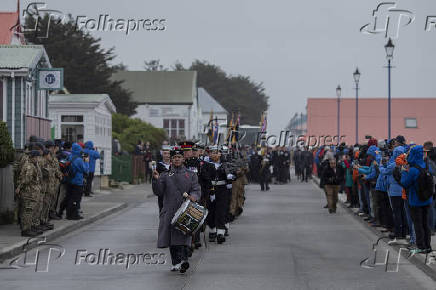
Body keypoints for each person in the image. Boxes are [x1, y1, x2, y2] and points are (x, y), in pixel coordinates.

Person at [152, 147, 200, 273]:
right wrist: (156, 180)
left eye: (179, 157)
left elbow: (196, 189)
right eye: (174, 157)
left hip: (186, 210)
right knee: (172, 239)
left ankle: (184, 260)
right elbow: (159, 192)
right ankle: (175, 262)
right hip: (170, 210)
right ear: (171, 160)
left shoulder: (191, 175)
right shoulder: (164, 175)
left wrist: (193, 197)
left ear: (183, 159)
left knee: (184, 236)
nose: (177, 159)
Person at [401, 145, 433, 254]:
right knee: (425, 224)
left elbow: (405, 183)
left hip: (415, 201)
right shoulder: (426, 165)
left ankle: (421, 246)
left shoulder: (413, 169)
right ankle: (427, 246)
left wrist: (404, 172)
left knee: (418, 224)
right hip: (427, 200)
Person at [16, 150, 43, 237]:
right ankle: (26, 230)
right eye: (37, 157)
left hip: (33, 192)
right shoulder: (29, 166)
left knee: (31, 210)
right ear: (33, 157)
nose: (38, 159)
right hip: (29, 193)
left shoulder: (34, 165)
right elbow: (26, 179)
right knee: (28, 211)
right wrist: (19, 187)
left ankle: (30, 227)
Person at [66, 143, 88, 220]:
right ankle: (74, 215)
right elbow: (85, 169)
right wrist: (86, 161)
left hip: (70, 181)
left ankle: (68, 214)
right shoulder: (79, 160)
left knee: (70, 198)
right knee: (76, 199)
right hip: (77, 181)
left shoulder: (70, 156)